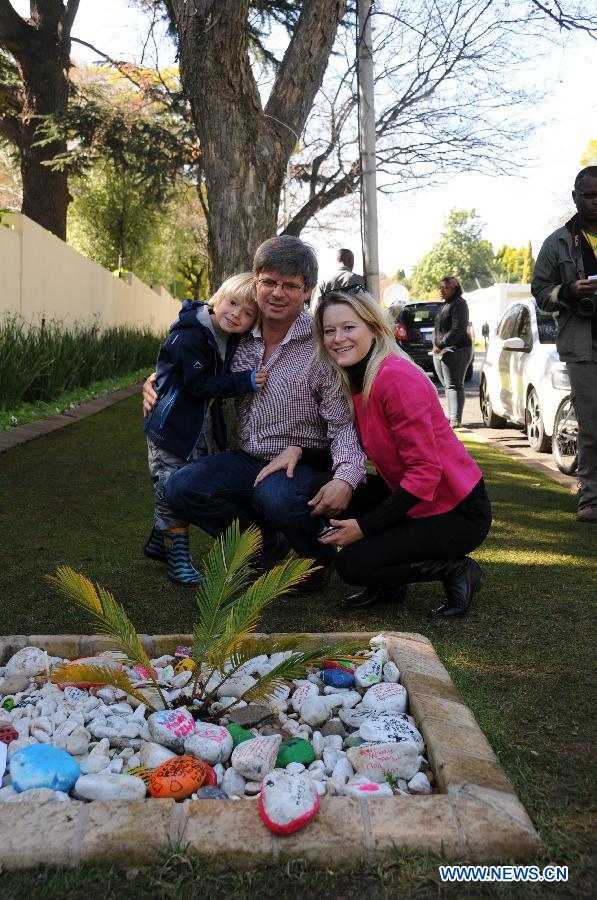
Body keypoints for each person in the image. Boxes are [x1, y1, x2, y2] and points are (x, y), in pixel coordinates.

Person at [143, 236, 366, 591]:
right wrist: (159, 379)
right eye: (269, 282)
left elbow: (342, 425)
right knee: (179, 486)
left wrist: (347, 478)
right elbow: (192, 360)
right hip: (250, 458)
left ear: (307, 291)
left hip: (304, 463)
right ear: (256, 282)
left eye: (290, 285)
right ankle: (264, 545)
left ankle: (315, 561)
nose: (277, 293)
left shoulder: (321, 344)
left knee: (274, 495)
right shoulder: (239, 332)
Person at [311, 287, 492, 618]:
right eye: (329, 330)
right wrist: (296, 450)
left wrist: (365, 527)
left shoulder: (394, 378)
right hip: (417, 498)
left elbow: (425, 472)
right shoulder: (355, 376)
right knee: (323, 488)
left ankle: (455, 570)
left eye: (349, 327)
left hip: (455, 511)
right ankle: (390, 584)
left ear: (374, 328)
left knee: (352, 564)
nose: (338, 338)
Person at [143, 273, 265, 585]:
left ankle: (159, 541)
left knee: (184, 483)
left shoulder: (230, 337)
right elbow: (197, 385)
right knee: (170, 487)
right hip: (170, 427)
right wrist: (245, 381)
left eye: (248, 312)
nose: (236, 313)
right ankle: (178, 558)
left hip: (198, 429)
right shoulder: (190, 333)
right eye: (232, 303)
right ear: (217, 298)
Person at [532, 166, 597, 525]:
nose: (596, 202)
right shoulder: (558, 242)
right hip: (583, 344)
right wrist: (569, 292)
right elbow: (540, 292)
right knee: (592, 423)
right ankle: (590, 497)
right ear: (576, 197)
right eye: (589, 195)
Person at [431, 276, 472, 429]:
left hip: (457, 350)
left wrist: (441, 344)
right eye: (440, 287)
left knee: (454, 385)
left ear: (454, 289)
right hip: (441, 351)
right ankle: (450, 416)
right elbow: (438, 328)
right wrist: (435, 344)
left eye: (445, 288)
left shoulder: (460, 304)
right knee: (447, 385)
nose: (441, 290)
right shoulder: (445, 305)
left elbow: (457, 329)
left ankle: (455, 419)